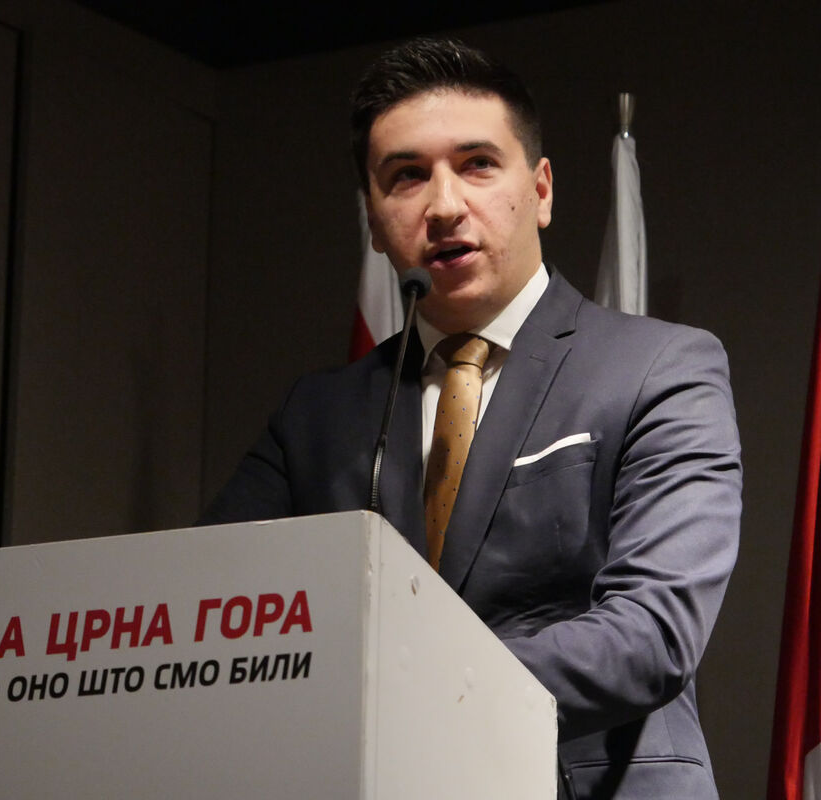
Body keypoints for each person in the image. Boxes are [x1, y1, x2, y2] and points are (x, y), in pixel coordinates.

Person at [201, 38, 741, 799]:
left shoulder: (662, 368)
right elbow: (210, 615)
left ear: (542, 190)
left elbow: (652, 634)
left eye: (478, 164)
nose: (445, 205)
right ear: (374, 218)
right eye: (407, 176)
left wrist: (397, 691)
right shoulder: (318, 415)